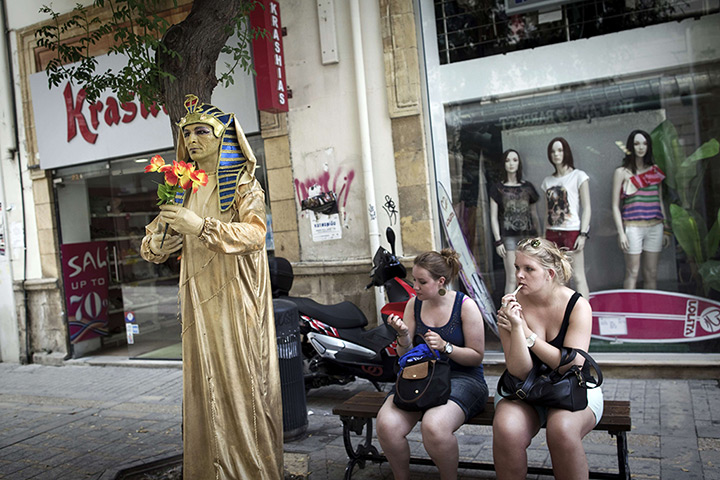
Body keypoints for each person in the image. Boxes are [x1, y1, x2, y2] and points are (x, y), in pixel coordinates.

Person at [140, 94, 283, 479]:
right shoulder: (181, 187)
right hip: (197, 303)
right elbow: (152, 241)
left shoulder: (243, 185)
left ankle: (249, 471)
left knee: (242, 388)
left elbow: (255, 234)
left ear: (225, 137)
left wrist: (201, 227)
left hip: (236, 301)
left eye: (203, 130)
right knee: (203, 389)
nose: (192, 139)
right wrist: (161, 243)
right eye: (187, 133)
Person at [492, 237, 603, 480]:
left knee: (561, 430)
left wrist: (528, 334)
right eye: (517, 268)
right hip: (525, 388)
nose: (519, 275)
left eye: (528, 269)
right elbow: (519, 371)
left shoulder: (577, 305)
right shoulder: (510, 307)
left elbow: (571, 365)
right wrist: (515, 328)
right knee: (506, 428)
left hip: (572, 387)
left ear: (549, 273)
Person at [376, 249, 488, 480]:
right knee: (387, 424)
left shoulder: (465, 306)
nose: (415, 286)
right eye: (414, 280)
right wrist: (404, 335)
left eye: (421, 282)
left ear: (441, 282)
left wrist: (446, 347)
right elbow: (403, 355)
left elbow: (476, 356)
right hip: (421, 375)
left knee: (434, 426)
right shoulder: (414, 305)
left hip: (463, 378)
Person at [611, 129, 671, 289]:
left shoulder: (655, 171)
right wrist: (621, 232)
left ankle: (648, 311)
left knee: (651, 273)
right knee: (632, 272)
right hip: (633, 228)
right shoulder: (621, 172)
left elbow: (659, 200)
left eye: (644, 143)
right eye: (637, 143)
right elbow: (615, 206)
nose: (641, 147)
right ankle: (630, 311)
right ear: (630, 146)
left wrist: (665, 229)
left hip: (655, 227)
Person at [541, 137, 591, 299]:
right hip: (552, 233)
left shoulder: (578, 176)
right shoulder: (547, 181)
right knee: (560, 279)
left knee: (578, 276)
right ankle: (566, 317)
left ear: (566, 152)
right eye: (553, 151)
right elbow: (546, 212)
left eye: (560, 150)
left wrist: (583, 234)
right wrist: (543, 236)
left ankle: (585, 318)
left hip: (572, 231)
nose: (556, 154)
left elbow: (587, 208)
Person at [489, 149, 541, 294]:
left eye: (515, 160)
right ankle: (507, 312)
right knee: (512, 277)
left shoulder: (528, 188)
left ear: (519, 163)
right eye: (507, 160)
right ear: (503, 164)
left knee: (531, 275)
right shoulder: (498, 189)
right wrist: (498, 241)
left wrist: (540, 238)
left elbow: (534, 214)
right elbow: (493, 216)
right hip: (509, 237)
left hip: (529, 237)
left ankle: (529, 311)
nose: (511, 164)